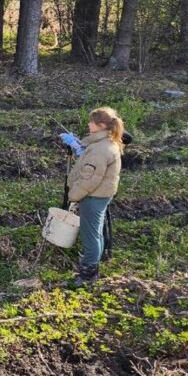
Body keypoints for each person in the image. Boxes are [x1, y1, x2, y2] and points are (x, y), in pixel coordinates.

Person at [60, 107, 124, 286]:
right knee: (96, 233)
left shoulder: (101, 149)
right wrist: (80, 146)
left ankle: (87, 275)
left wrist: (74, 195)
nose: (88, 124)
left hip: (93, 196)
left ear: (101, 125)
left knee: (90, 235)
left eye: (91, 122)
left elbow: (90, 180)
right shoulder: (103, 143)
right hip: (100, 195)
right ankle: (93, 267)